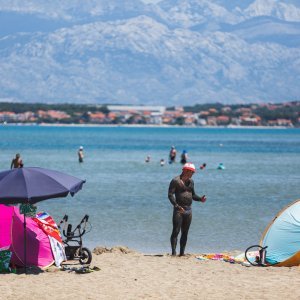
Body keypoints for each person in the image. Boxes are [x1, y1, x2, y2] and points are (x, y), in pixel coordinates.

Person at [168, 163, 206, 256]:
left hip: (188, 210)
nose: (191, 174)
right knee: (176, 231)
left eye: (192, 172)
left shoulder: (191, 182)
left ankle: (182, 253)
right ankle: (173, 253)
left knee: (185, 232)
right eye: (190, 171)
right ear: (184, 170)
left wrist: (200, 199)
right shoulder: (175, 181)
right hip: (178, 210)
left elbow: (193, 195)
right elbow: (170, 195)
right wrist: (176, 205)